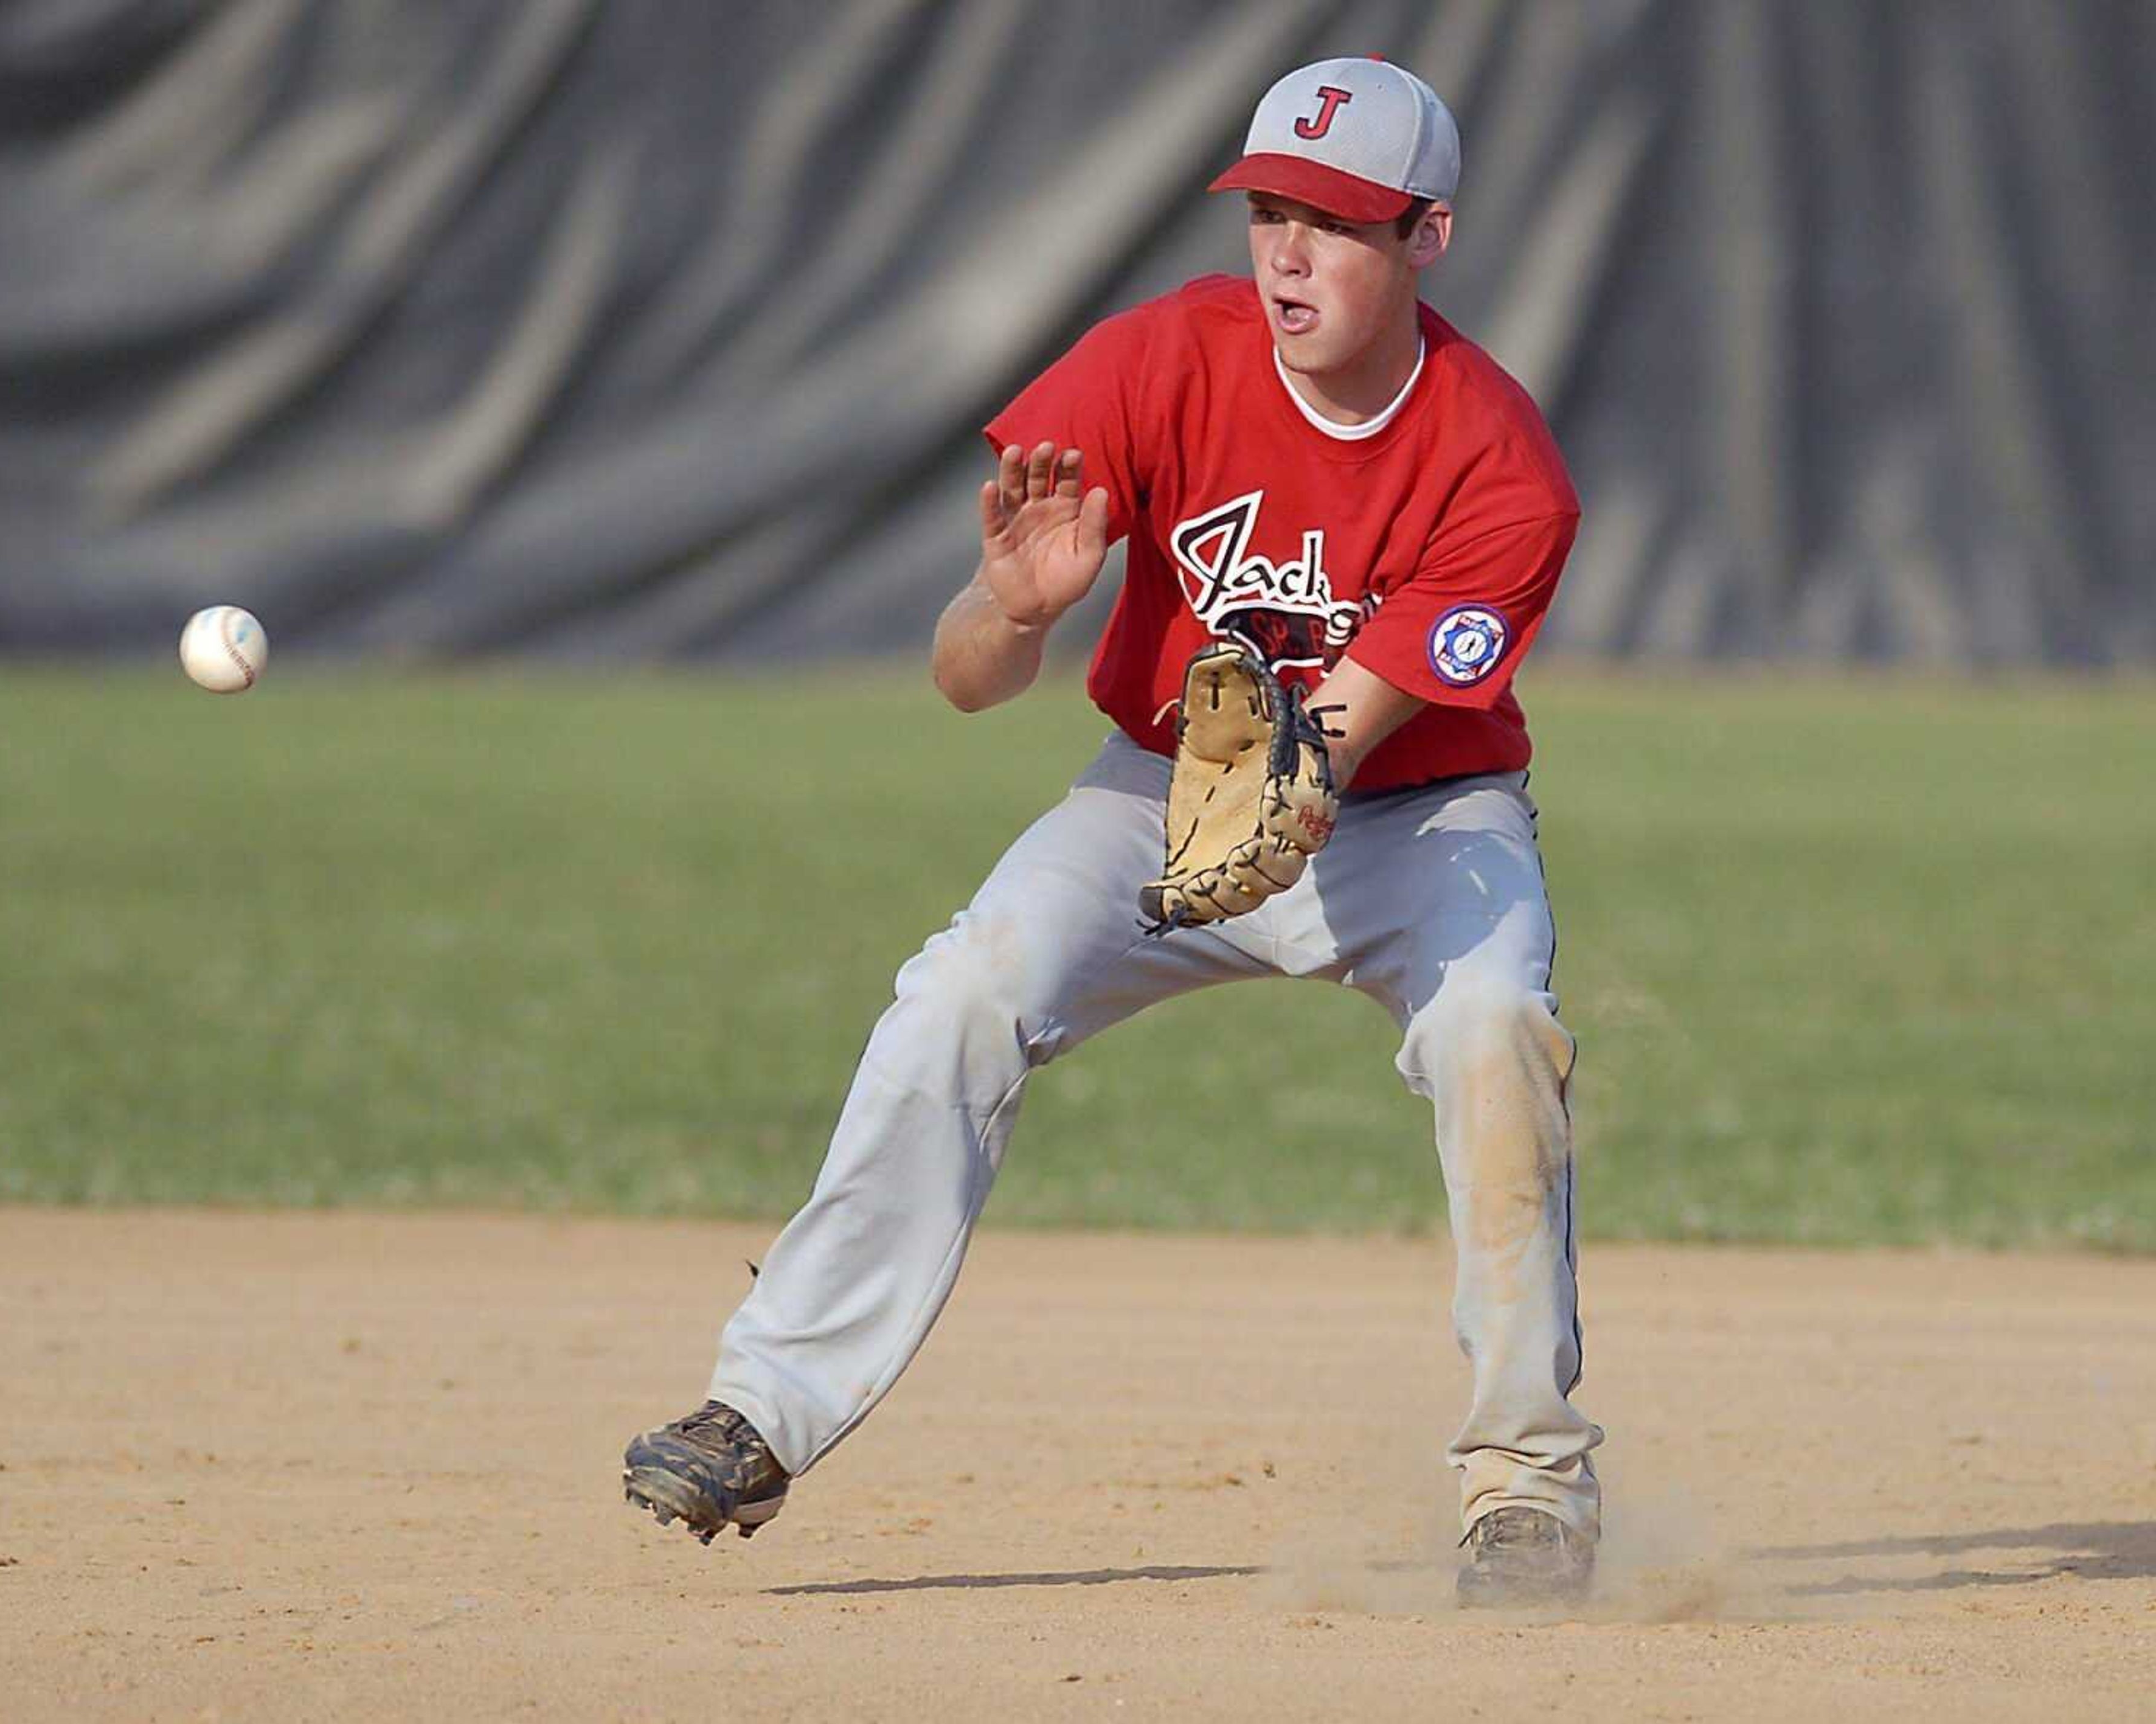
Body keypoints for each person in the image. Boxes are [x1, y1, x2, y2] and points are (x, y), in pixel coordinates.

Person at [623, 55, 1603, 1607]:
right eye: (1272, 212)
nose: (1287, 255)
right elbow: (965, 678)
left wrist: (1281, 781)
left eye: (1337, 225)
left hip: (1414, 814)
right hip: (1157, 785)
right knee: (963, 989)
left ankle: (1525, 1486)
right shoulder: (1156, 362)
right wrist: (1008, 614)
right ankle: (764, 1405)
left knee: (1497, 1029)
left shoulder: (1500, 461)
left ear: (1429, 235)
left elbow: (1337, 739)